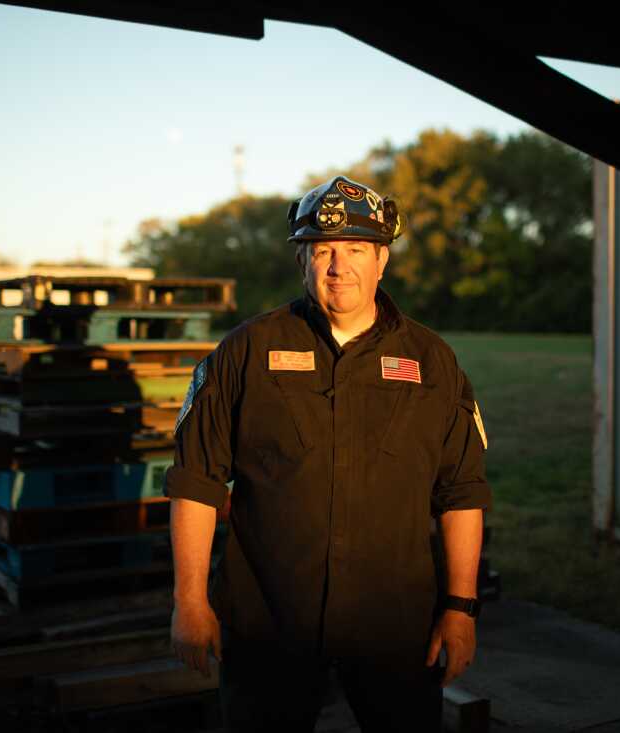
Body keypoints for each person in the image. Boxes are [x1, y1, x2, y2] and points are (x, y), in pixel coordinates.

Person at [165, 175, 492, 732]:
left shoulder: (433, 361)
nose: (339, 266)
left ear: (383, 259)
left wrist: (460, 609)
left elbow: (460, 492)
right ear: (303, 261)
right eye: (323, 250)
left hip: (395, 623)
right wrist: (190, 601)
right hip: (269, 620)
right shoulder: (244, 352)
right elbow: (196, 480)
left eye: (356, 250)